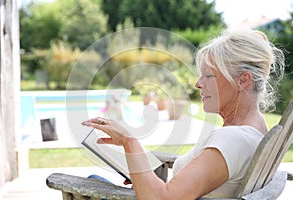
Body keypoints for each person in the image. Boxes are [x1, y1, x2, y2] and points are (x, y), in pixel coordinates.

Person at [81, 29, 285, 199]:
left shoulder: (233, 140)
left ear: (243, 81)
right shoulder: (256, 131)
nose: (198, 84)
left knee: (91, 182)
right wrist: (142, 173)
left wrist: (129, 140)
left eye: (208, 75)